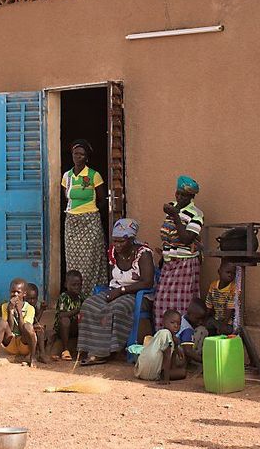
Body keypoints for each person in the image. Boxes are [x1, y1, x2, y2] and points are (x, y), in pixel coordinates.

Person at [77, 218, 155, 365]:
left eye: (121, 241)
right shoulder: (113, 252)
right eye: (115, 241)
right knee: (89, 304)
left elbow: (147, 282)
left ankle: (106, 352)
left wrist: (121, 291)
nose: (117, 245)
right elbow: (113, 278)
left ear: (131, 239)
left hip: (137, 294)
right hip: (115, 290)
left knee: (116, 308)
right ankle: (91, 348)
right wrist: (116, 291)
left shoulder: (143, 254)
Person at [153, 175, 204, 326]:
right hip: (169, 264)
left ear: (192, 197)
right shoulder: (171, 206)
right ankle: (162, 340)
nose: (180, 197)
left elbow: (187, 239)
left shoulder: (196, 214)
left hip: (185, 264)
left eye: (184, 195)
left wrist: (175, 216)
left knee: (182, 305)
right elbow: (167, 235)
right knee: (160, 303)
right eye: (178, 193)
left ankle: (182, 340)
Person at [61, 139, 108, 291]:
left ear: (86, 157)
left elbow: (102, 200)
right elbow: (67, 199)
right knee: (73, 261)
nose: (78, 156)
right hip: (72, 222)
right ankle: (75, 294)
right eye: (76, 153)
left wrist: (89, 213)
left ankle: (90, 294)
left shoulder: (94, 175)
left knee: (91, 261)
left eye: (82, 154)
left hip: (90, 222)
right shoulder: (66, 176)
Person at [0, 278, 37, 369]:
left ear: (24, 294)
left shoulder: (30, 308)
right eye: (13, 292)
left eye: (18, 292)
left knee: (28, 327)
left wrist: (19, 312)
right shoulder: (5, 306)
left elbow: (22, 331)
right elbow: (10, 328)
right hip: (11, 344)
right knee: (2, 323)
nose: (15, 294)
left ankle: (32, 357)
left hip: (23, 344)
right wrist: (10, 311)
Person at [135, 309, 189, 384]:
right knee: (183, 372)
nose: (176, 326)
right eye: (172, 323)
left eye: (179, 324)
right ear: (164, 322)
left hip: (140, 372)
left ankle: (165, 374)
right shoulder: (166, 334)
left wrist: (176, 346)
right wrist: (166, 379)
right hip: (152, 373)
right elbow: (167, 356)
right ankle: (164, 376)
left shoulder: (160, 334)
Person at [53, 269, 84, 360]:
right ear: (66, 285)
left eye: (79, 285)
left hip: (74, 327)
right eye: (73, 285)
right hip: (62, 328)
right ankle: (65, 350)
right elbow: (62, 315)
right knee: (65, 320)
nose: (77, 287)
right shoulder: (64, 297)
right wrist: (78, 310)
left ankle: (83, 349)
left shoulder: (81, 296)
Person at [205, 260, 238, 334]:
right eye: (228, 272)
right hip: (216, 319)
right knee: (206, 326)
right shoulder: (213, 286)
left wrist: (223, 325)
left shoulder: (233, 288)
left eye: (233, 273)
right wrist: (205, 319)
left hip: (228, 322)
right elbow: (209, 305)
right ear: (219, 272)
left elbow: (230, 310)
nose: (230, 275)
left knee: (227, 330)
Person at [24, 283, 51, 364]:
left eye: (34, 298)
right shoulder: (24, 307)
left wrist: (41, 309)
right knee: (39, 329)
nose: (32, 301)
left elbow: (36, 320)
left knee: (47, 332)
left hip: (31, 331)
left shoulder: (34, 307)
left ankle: (41, 353)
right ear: (24, 297)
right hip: (23, 333)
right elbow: (32, 322)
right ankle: (39, 353)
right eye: (29, 298)